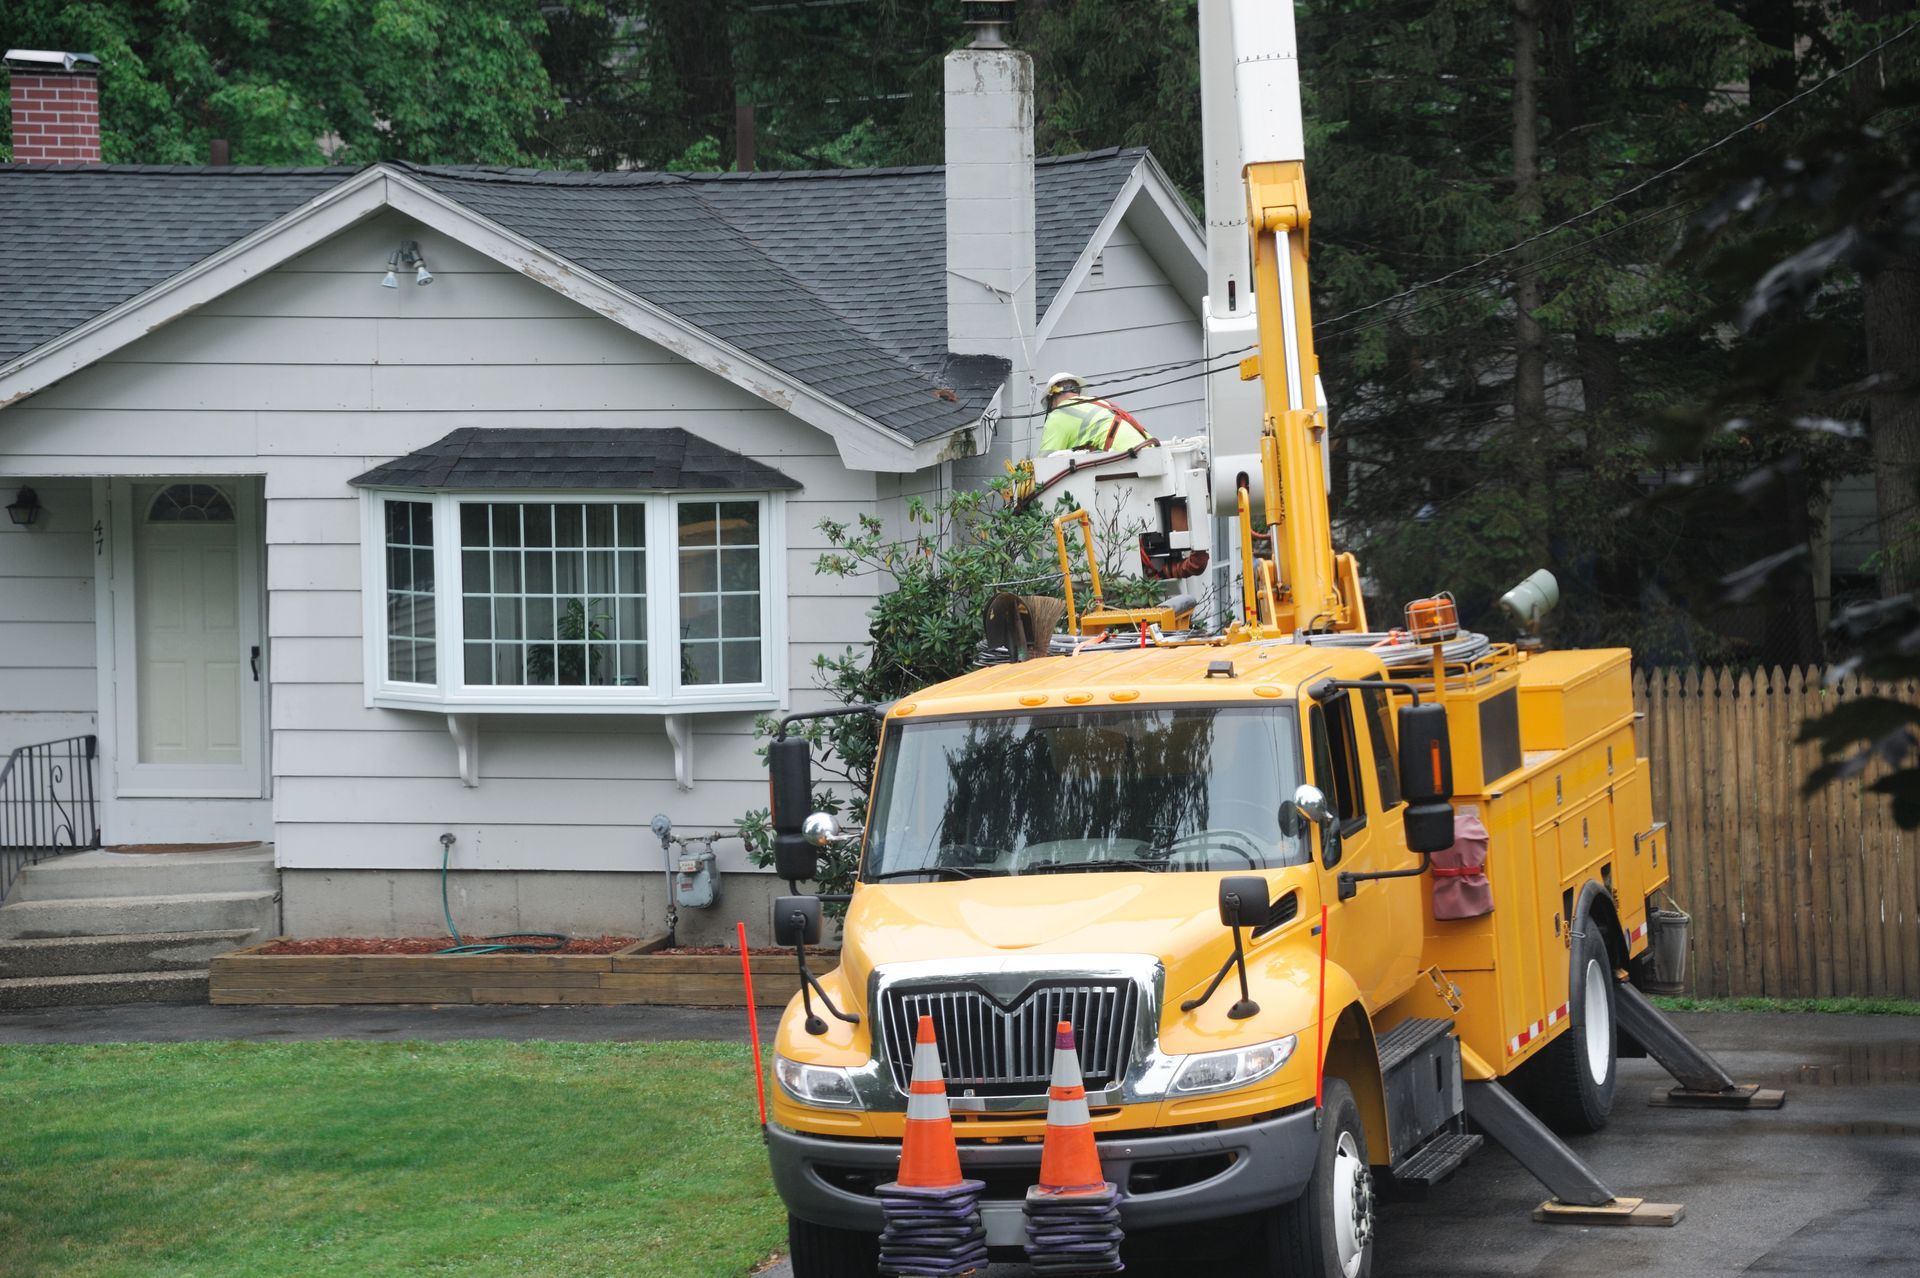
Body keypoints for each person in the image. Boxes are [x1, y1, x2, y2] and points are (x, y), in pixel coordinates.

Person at [1037, 372, 1154, 453]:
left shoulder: (1058, 415)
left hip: (1128, 455)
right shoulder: (1095, 402)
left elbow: (1045, 461)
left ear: (1051, 399)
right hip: (1149, 446)